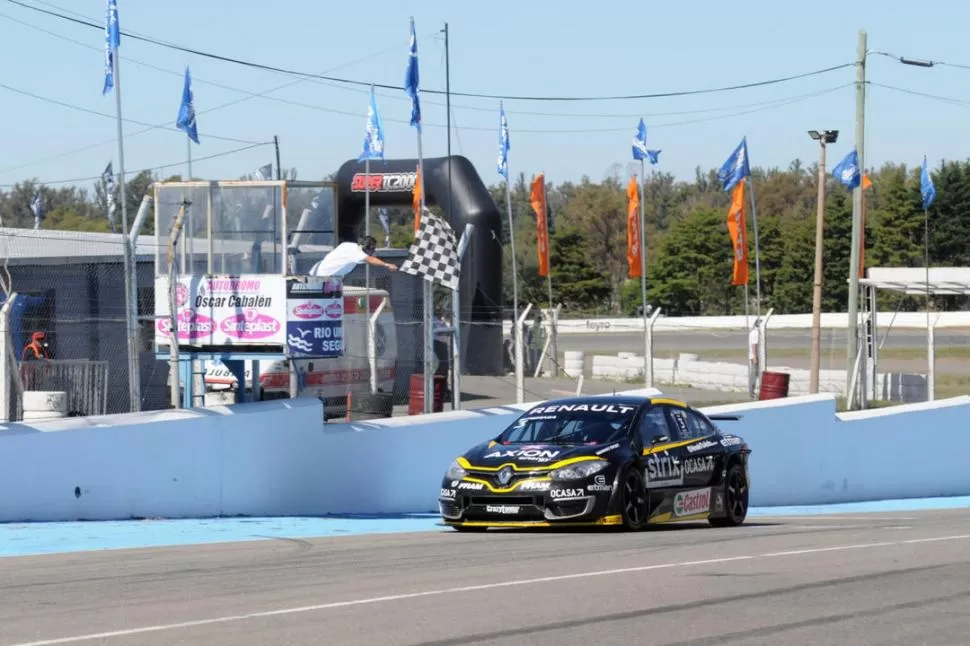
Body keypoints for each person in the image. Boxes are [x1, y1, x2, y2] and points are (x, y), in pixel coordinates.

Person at [308, 235, 397, 278]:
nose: (373, 252)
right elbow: (371, 259)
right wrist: (387, 265)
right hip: (320, 277)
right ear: (368, 248)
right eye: (373, 250)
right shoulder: (356, 253)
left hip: (319, 273)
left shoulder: (348, 245)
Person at [748, 318, 761, 397]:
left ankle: (753, 391)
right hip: (754, 356)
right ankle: (751, 392)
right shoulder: (755, 333)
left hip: (754, 356)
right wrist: (755, 357)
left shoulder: (754, 332)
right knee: (754, 374)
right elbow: (754, 345)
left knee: (756, 373)